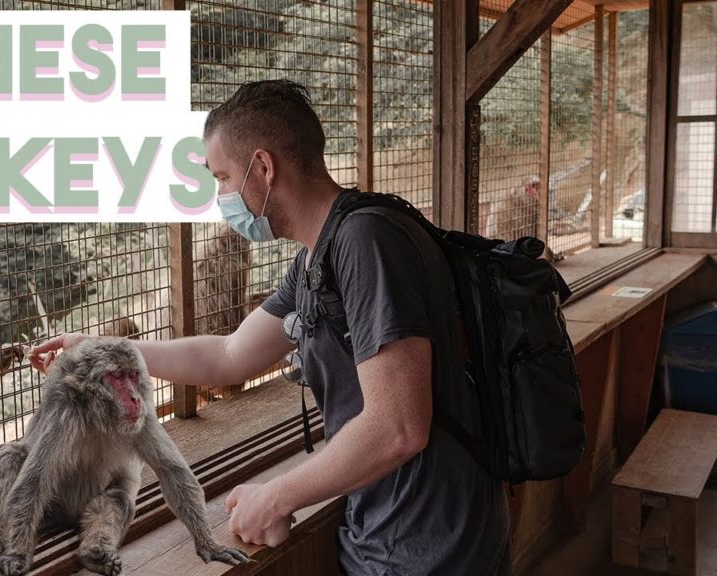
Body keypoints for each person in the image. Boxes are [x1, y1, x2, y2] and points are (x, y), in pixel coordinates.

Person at [28, 80, 510, 576]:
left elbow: (398, 426)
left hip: (427, 548)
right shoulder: (314, 260)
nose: (220, 196)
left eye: (222, 177)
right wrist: (104, 349)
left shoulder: (366, 243)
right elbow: (230, 355)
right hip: (387, 531)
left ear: (263, 167)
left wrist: (277, 496)